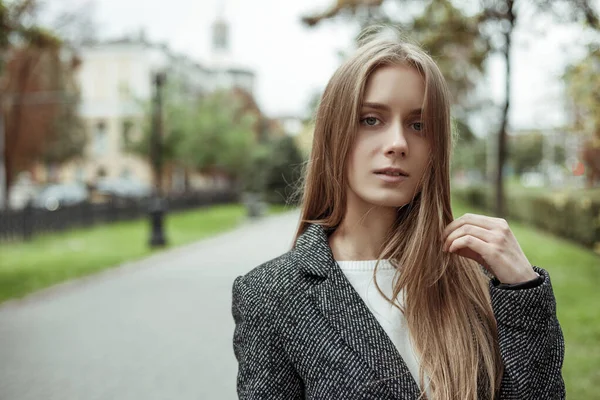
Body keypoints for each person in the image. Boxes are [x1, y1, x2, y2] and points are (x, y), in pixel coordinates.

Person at [231, 28, 565, 400]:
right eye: (371, 120)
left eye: (418, 125)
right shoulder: (271, 296)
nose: (397, 144)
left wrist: (522, 286)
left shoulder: (480, 277)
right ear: (334, 133)